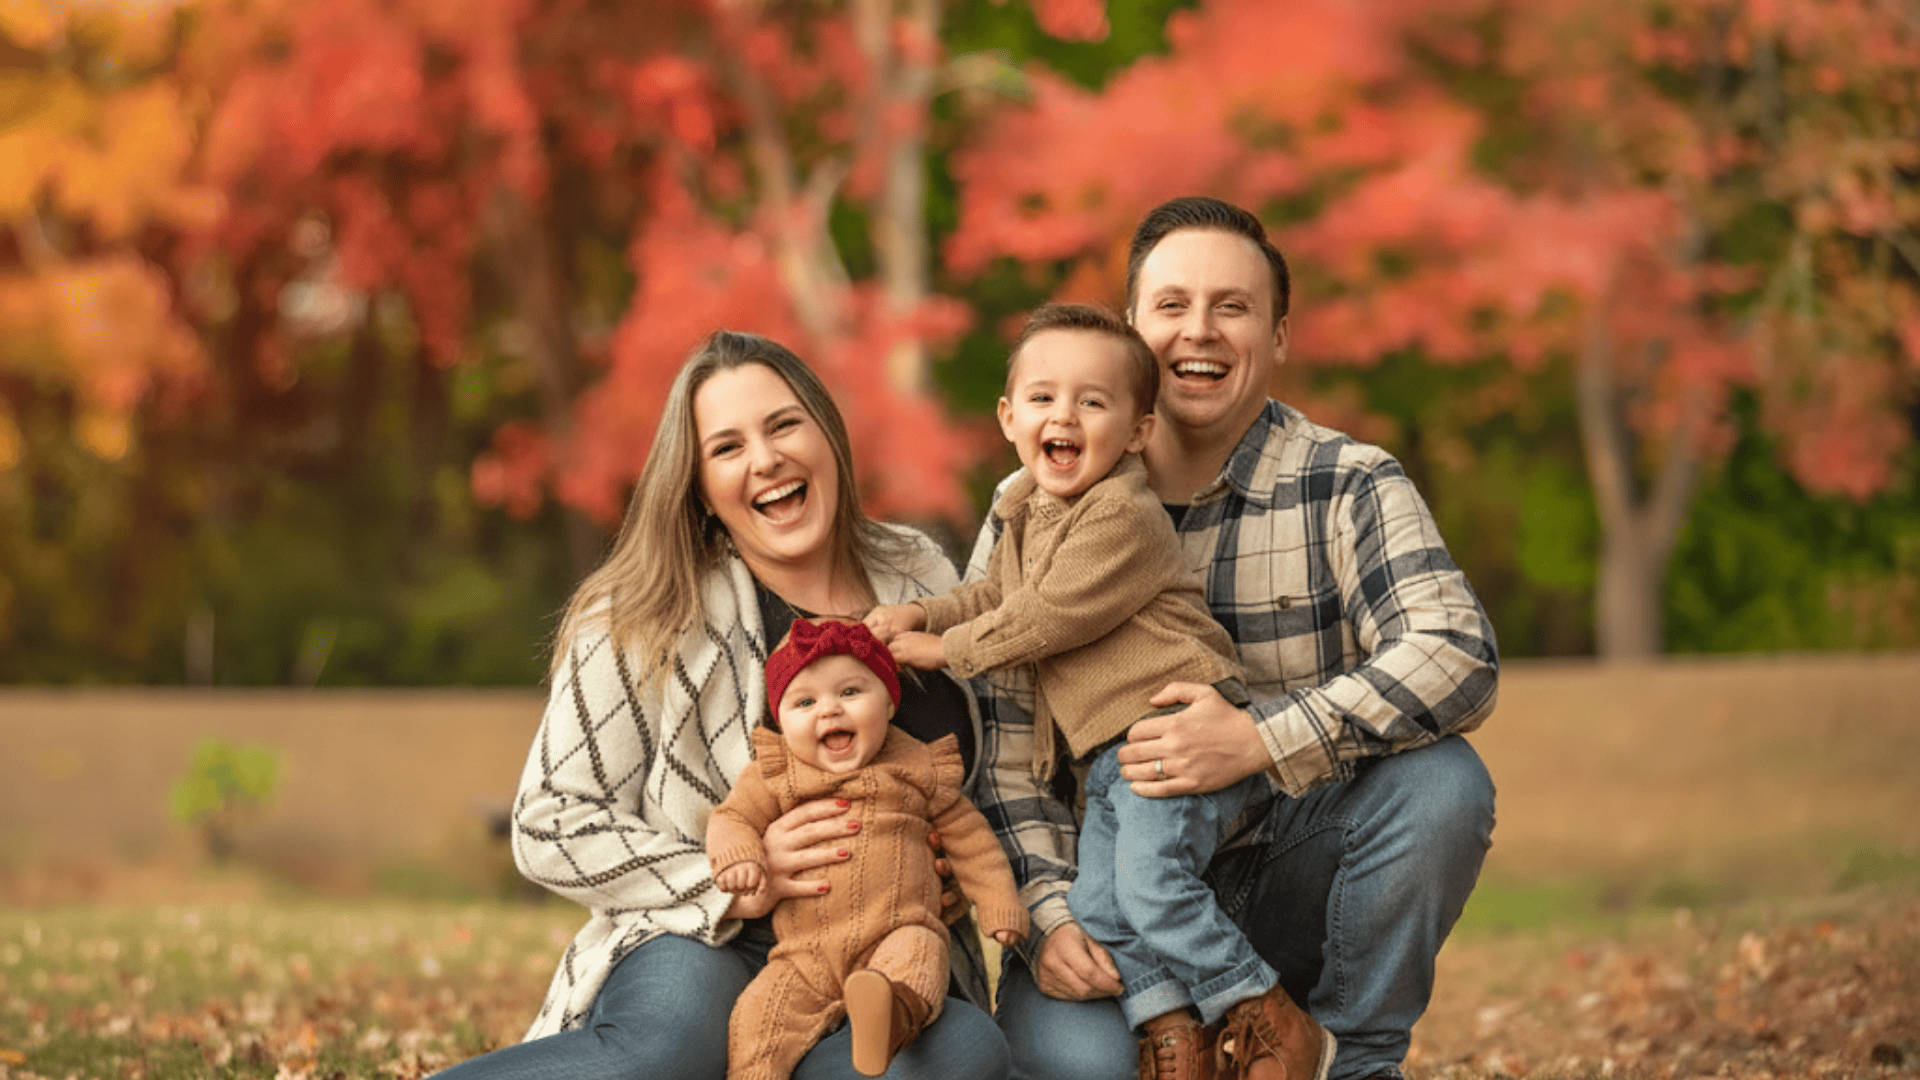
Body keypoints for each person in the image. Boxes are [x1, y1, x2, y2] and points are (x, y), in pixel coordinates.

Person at [975, 197, 1500, 1080]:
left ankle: (1349, 1058)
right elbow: (1001, 749)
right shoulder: (1031, 503)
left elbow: (1457, 654)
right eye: (1173, 306)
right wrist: (1049, 913)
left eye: (1233, 307)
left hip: (1295, 869)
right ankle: (1177, 1024)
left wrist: (1257, 739)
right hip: (1112, 900)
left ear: (1278, 336)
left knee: (1443, 786)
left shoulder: (1348, 483)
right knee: (1080, 1066)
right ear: (1133, 332)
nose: (1201, 333)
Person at [431, 330, 1010, 1080]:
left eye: (783, 425)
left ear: (828, 435)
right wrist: (737, 872)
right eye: (727, 447)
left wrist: (952, 867)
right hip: (705, 936)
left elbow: (983, 768)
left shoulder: (918, 570)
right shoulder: (643, 610)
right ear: (701, 484)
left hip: (886, 949)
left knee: (960, 1057)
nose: (765, 460)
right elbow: (550, 822)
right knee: (667, 1053)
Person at [865, 302, 1333, 1080]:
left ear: (1139, 431)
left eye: (1093, 401)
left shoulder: (1122, 514)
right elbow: (995, 596)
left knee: (1151, 885)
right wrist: (923, 609)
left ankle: (1264, 1012)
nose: (1066, 416)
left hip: (1172, 734)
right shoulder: (1025, 510)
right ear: (1009, 416)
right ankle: (1169, 1033)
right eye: (1044, 397)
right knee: (1103, 912)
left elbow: (1046, 616)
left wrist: (939, 648)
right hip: (1107, 762)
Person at [709, 616, 1027, 1080]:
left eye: (851, 692)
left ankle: (889, 1020)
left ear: (889, 701)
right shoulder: (776, 774)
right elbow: (731, 818)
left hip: (896, 931)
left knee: (920, 959)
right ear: (780, 719)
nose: (829, 711)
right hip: (805, 954)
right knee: (759, 1020)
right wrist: (738, 854)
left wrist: (999, 901)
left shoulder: (916, 766)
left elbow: (971, 839)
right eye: (805, 701)